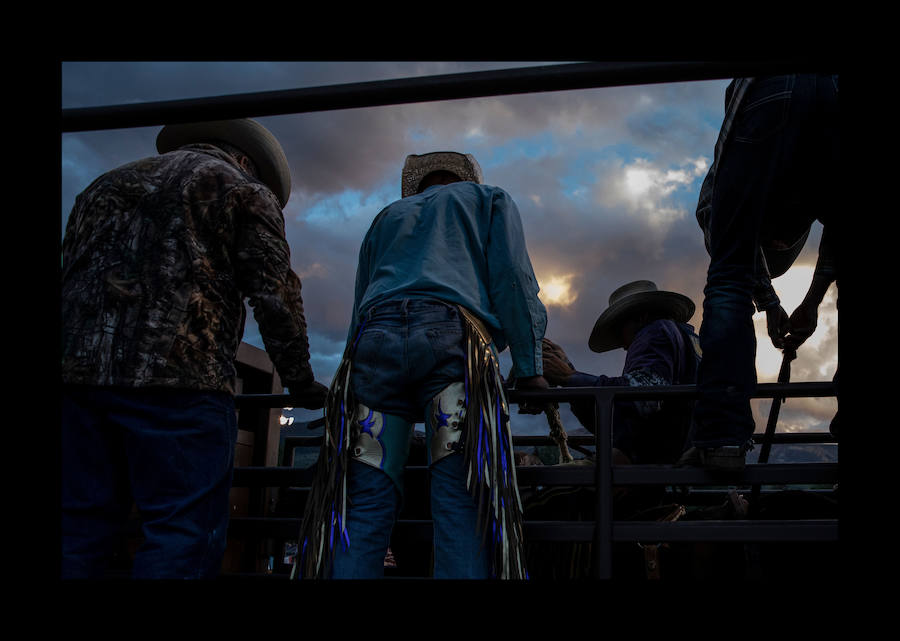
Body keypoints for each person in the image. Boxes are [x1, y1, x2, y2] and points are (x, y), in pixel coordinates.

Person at [61, 118, 328, 579]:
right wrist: (300, 380)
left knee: (79, 528)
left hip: (79, 380)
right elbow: (273, 295)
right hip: (182, 379)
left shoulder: (101, 186)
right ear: (246, 160)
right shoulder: (239, 187)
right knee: (183, 531)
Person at [296, 151, 548, 580]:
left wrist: (349, 378)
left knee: (366, 501)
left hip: (373, 343)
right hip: (453, 339)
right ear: (464, 178)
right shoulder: (488, 199)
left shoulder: (387, 216)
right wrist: (530, 366)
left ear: (420, 185)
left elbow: (361, 302)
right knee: (460, 497)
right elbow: (512, 279)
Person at [683, 74, 840, 471]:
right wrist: (774, 303)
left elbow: (731, 257)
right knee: (733, 272)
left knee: (727, 278)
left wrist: (809, 303)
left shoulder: (719, 195)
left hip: (769, 83)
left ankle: (721, 438)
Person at [540, 280, 701, 467]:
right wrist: (570, 373)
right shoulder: (691, 341)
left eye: (619, 330)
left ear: (641, 317)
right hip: (681, 460)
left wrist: (569, 377)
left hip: (655, 466)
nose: (622, 344)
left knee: (545, 492)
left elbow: (642, 397)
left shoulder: (655, 331)